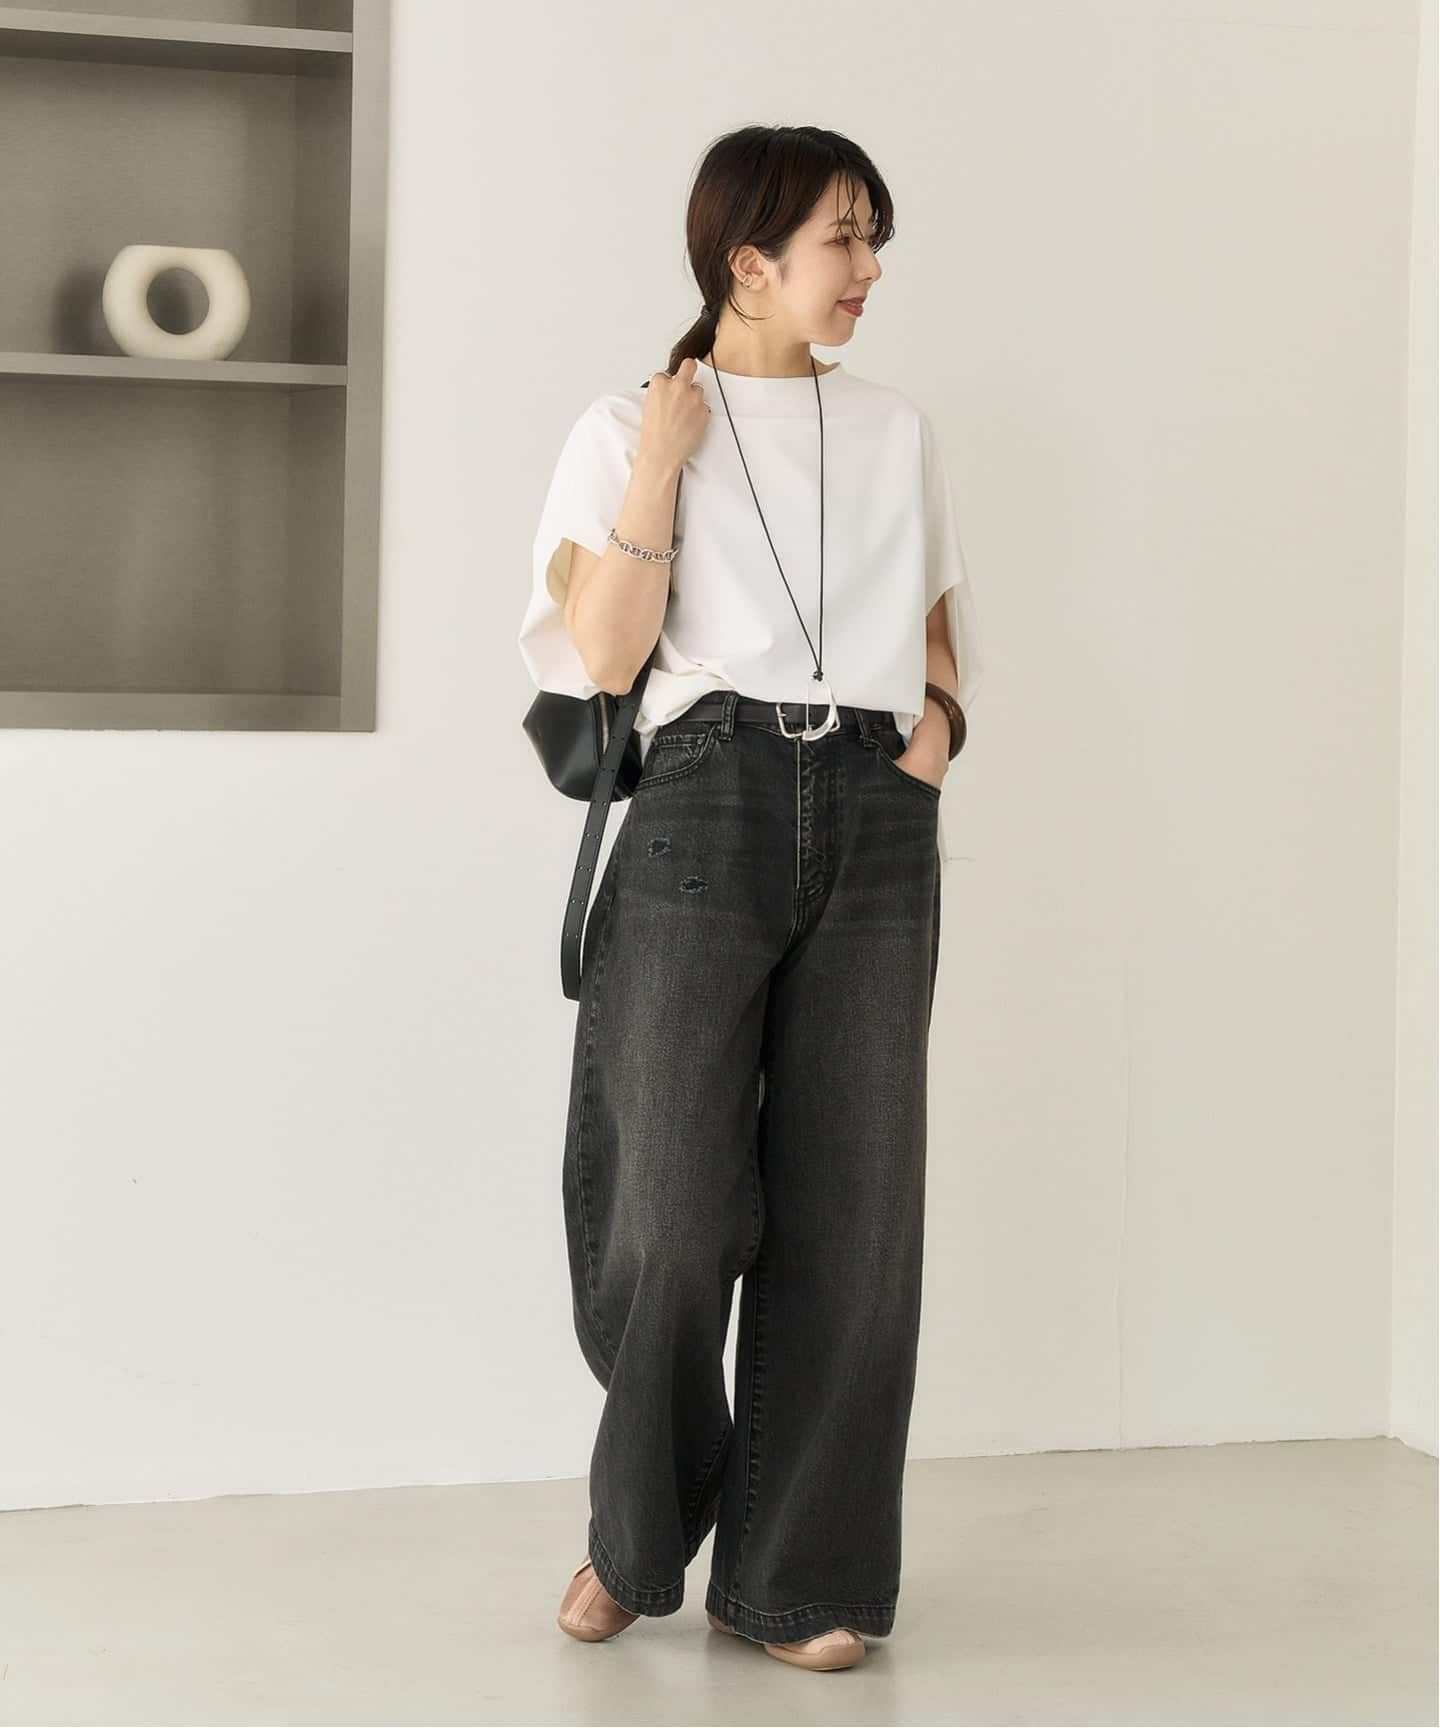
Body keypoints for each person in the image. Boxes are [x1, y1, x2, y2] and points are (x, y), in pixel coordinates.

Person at [517, 125, 985, 1674]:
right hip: (704, 797)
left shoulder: (897, 429)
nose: (870, 269)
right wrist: (665, 459)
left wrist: (932, 738)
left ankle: (798, 1580)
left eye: (873, 237)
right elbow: (602, 656)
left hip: (873, 806)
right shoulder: (622, 425)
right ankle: (638, 1527)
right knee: (668, 1207)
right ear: (749, 263)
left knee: (855, 1209)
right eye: (845, 238)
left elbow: (934, 628)